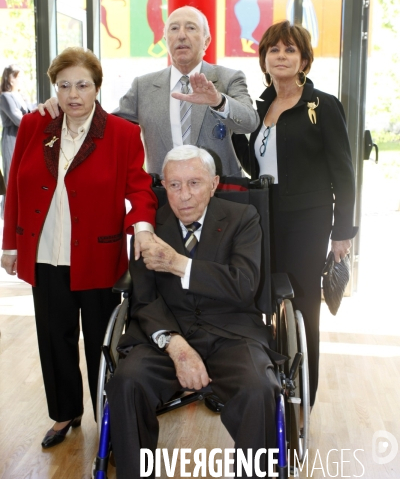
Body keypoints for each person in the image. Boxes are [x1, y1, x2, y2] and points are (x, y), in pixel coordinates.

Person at [1, 47, 157, 449]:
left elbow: (139, 187)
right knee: (54, 339)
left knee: (101, 346)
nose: (73, 94)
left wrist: (141, 226)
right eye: (64, 85)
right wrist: (10, 244)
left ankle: (111, 421)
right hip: (45, 253)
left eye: (82, 85)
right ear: (55, 87)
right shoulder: (39, 124)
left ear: (97, 88)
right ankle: (65, 413)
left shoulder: (121, 133)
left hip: (98, 259)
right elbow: (16, 183)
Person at [105, 145, 282, 479]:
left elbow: (244, 285)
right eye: (174, 185)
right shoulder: (149, 227)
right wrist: (176, 346)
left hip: (231, 333)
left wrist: (179, 264)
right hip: (167, 334)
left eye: (194, 183)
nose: (183, 195)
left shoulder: (243, 219)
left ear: (214, 183)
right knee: (127, 383)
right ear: (163, 185)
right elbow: (143, 299)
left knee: (259, 389)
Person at [232, 20, 358, 408]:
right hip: (266, 216)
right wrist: (236, 131)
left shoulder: (322, 105)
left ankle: (304, 395)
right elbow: (255, 166)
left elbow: (344, 172)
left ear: (304, 58)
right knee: (264, 301)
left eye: (289, 50)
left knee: (304, 307)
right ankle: (270, 384)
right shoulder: (260, 107)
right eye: (274, 50)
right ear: (264, 59)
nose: (281, 56)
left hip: (309, 219)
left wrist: (342, 232)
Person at [38, 6, 259, 177]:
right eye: (174, 29)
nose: (181, 35)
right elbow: (105, 125)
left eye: (191, 28)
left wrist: (218, 101)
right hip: (164, 197)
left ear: (206, 40)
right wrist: (68, 102)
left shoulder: (228, 78)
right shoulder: (143, 87)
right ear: (166, 40)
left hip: (220, 195)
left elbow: (249, 121)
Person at [0, 64, 32, 215]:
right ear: (11, 79)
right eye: (19, 77)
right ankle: (7, 214)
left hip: (23, 138)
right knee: (11, 176)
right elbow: (18, 119)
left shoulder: (21, 96)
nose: (22, 80)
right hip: (11, 138)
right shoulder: (5, 96)